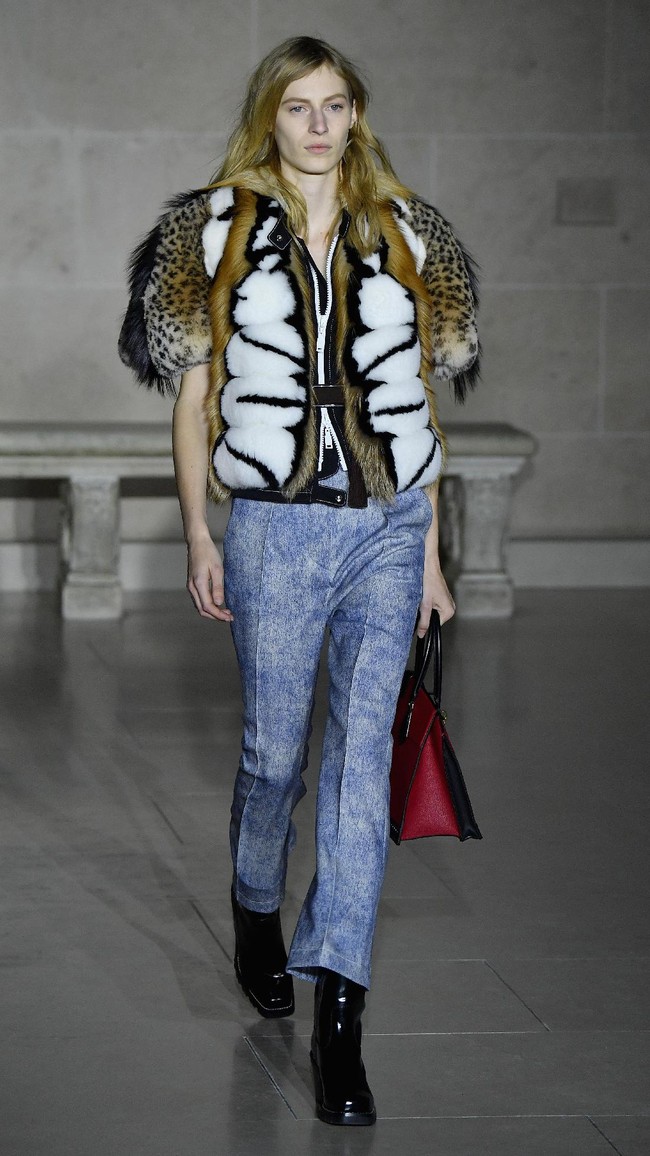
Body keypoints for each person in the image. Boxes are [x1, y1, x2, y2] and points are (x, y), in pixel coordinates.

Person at [119, 35, 479, 1127]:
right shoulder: (208, 230)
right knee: (274, 756)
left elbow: (420, 404)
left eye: (335, 105)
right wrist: (196, 531)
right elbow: (192, 403)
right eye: (297, 107)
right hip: (272, 529)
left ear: (356, 115)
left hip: (384, 527)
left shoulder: (413, 232)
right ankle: (254, 905)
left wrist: (425, 554)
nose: (317, 124)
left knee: (359, 764)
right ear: (267, 118)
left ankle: (339, 1026)